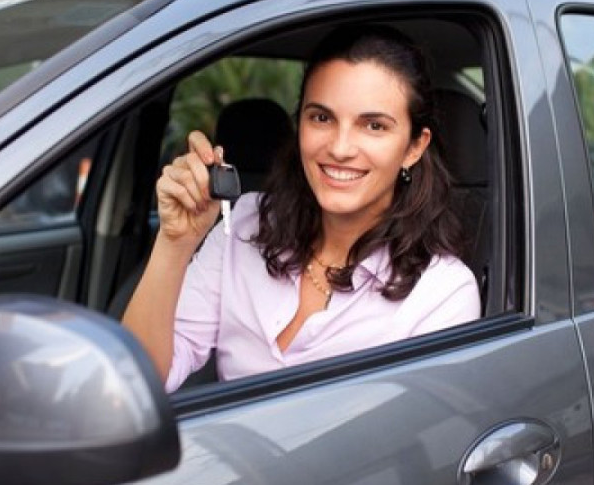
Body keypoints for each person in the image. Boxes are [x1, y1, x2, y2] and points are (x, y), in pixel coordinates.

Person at [123, 25, 481, 393]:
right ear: (300, 126)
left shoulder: (441, 296)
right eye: (321, 118)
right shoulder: (244, 225)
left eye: (374, 125)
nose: (340, 148)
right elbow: (137, 383)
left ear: (413, 148)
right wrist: (175, 243)